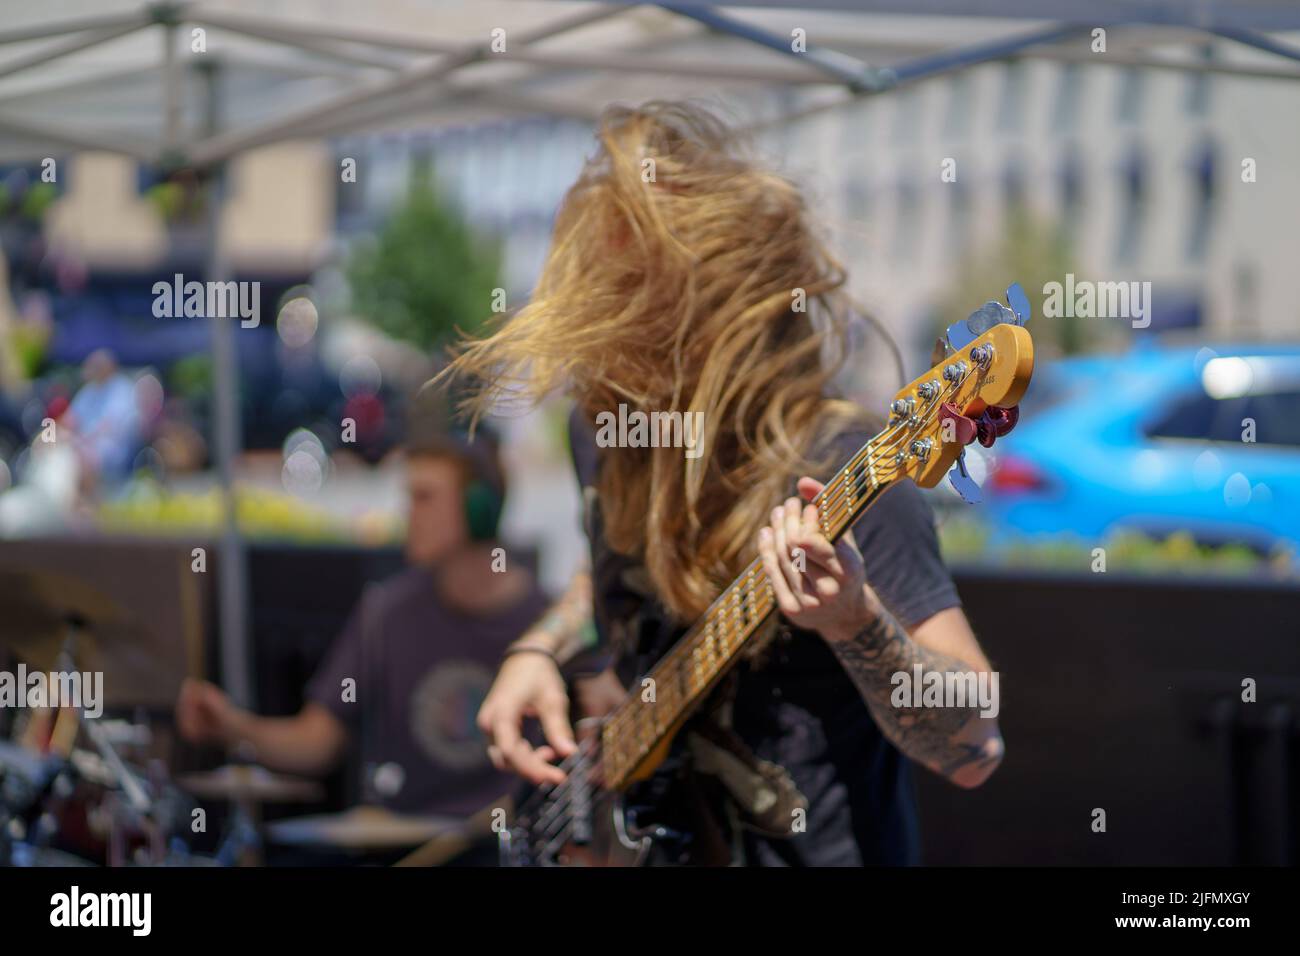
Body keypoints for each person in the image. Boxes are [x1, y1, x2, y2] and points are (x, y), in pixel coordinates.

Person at [454, 102, 1004, 866]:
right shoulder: (609, 436)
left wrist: (856, 622)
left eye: (630, 313)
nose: (606, 354)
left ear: (706, 316)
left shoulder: (843, 469)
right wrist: (537, 651)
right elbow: (609, 579)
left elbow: (974, 746)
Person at [175, 431, 548, 818]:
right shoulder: (388, 612)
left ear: (479, 510)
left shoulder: (546, 626)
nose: (408, 515)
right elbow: (316, 741)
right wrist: (234, 727)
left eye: (424, 497)